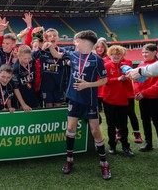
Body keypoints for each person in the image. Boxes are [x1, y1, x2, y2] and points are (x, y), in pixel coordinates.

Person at [51, 30, 111, 180]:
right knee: (70, 128)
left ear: (85, 43)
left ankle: (104, 163)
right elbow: (57, 55)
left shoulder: (97, 59)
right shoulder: (73, 54)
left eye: (76, 41)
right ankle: (69, 160)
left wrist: (88, 85)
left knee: (95, 130)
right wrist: (50, 46)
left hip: (90, 100)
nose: (74, 43)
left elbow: (104, 80)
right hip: (74, 98)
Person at [133, 44, 158, 159]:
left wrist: (144, 93)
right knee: (145, 120)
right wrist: (138, 92)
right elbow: (136, 81)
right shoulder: (141, 65)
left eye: (147, 52)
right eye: (143, 53)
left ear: (155, 52)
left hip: (155, 98)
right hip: (143, 98)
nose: (144, 55)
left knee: (157, 121)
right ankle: (148, 143)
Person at [103, 45, 134, 157]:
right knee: (111, 125)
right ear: (109, 55)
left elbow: (130, 81)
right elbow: (104, 81)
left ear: (122, 56)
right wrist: (118, 79)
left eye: (118, 55)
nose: (116, 56)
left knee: (124, 125)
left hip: (122, 99)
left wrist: (126, 79)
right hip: (109, 99)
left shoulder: (125, 67)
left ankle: (125, 146)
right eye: (113, 55)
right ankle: (112, 145)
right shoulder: (106, 65)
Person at [35, 28, 68, 108]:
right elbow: (32, 56)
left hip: (59, 85)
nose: (52, 37)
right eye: (50, 36)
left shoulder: (63, 51)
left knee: (58, 105)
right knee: (48, 105)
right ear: (46, 39)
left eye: (55, 35)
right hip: (46, 85)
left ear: (58, 38)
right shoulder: (42, 51)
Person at [12, 45, 38, 110]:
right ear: (18, 56)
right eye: (24, 59)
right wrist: (23, 104)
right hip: (21, 100)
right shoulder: (15, 69)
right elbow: (16, 88)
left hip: (33, 96)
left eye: (29, 58)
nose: (27, 61)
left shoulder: (32, 62)